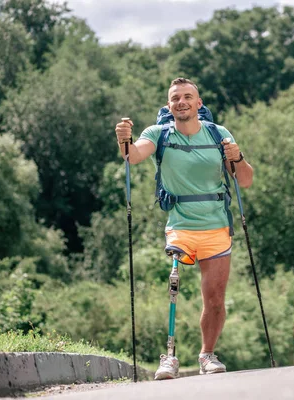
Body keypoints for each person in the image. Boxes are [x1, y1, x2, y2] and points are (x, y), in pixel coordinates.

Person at [114, 78, 253, 379]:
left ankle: (207, 355)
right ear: (169, 105)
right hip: (180, 225)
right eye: (176, 98)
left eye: (188, 96)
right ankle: (170, 357)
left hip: (217, 225)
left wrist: (237, 157)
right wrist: (124, 138)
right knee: (174, 284)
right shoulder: (157, 134)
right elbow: (133, 155)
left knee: (214, 299)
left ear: (199, 104)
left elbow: (245, 180)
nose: (182, 101)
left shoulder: (219, 134)